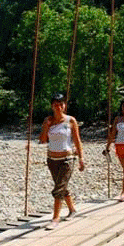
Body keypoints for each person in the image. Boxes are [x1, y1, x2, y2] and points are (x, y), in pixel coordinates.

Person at [39, 93, 85, 230]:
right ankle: (72, 209)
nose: (58, 107)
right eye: (56, 105)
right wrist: (46, 126)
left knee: (58, 188)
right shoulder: (48, 120)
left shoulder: (71, 120)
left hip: (67, 159)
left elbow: (77, 140)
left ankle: (55, 218)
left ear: (64, 106)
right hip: (52, 160)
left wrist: (81, 158)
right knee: (61, 186)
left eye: (61, 104)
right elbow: (43, 140)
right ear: (52, 106)